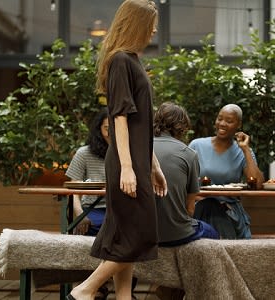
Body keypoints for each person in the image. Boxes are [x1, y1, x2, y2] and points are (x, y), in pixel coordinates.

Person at [68, 1, 167, 300]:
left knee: (126, 236)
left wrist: (153, 165)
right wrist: (128, 166)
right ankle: (85, 290)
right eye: (150, 23)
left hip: (136, 160)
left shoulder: (133, 60)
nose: (154, 29)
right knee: (140, 235)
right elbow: (120, 118)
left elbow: (141, 126)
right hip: (126, 162)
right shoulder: (122, 61)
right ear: (136, 24)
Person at [188, 104, 265, 239]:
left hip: (229, 211)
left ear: (238, 125)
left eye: (229, 121)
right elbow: (184, 181)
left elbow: (257, 183)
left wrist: (245, 149)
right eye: (220, 119)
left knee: (217, 212)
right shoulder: (197, 145)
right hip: (198, 207)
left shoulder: (242, 151)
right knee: (210, 206)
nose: (222, 124)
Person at [153, 102, 219, 247]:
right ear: (182, 127)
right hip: (175, 234)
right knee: (213, 233)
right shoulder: (188, 154)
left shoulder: (139, 147)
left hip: (140, 232)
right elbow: (190, 208)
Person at [66, 108, 109, 236]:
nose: (111, 133)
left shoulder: (127, 154)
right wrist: (80, 215)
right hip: (92, 207)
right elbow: (73, 190)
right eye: (107, 128)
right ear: (99, 129)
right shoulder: (84, 153)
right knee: (90, 226)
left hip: (120, 208)